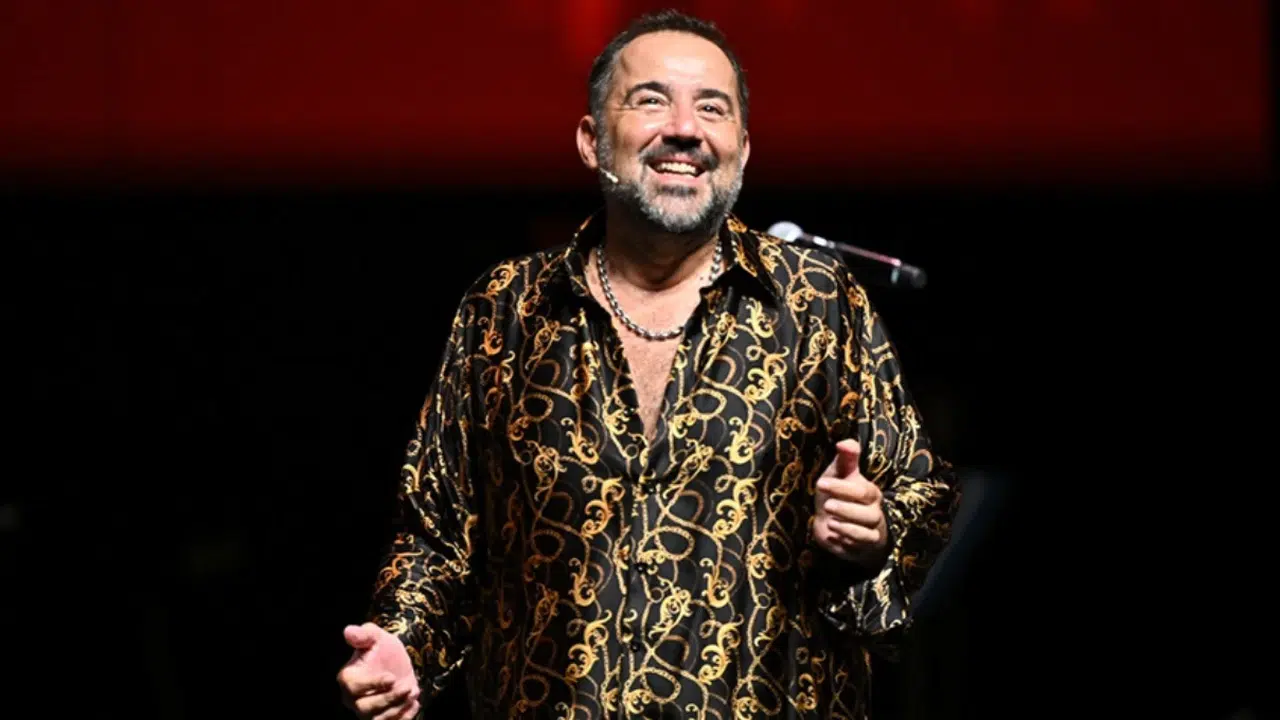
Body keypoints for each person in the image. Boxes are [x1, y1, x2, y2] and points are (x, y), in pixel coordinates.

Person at [336, 9, 959, 720]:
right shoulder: (507, 309)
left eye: (713, 109)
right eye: (652, 100)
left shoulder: (816, 302)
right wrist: (405, 643)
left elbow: (921, 493)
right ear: (591, 141)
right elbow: (438, 530)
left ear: (743, 148)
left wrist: (875, 534)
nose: (686, 128)